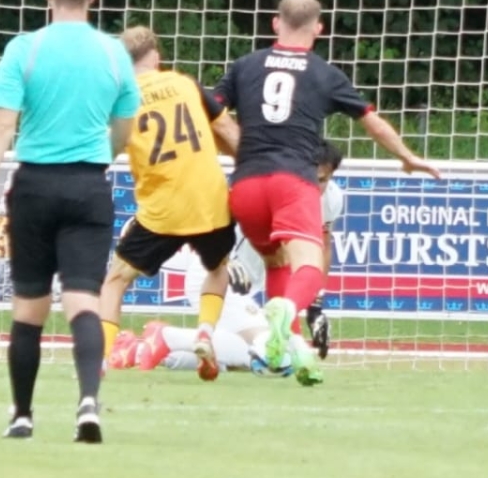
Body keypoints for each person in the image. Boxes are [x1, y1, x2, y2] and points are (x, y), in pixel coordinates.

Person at [211, 0, 439, 386]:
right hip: (292, 182)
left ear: (275, 23)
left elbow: (209, 110)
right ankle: (286, 309)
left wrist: (235, 145)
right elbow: (370, 121)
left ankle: (289, 351)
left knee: (277, 264)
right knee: (309, 266)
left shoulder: (245, 65)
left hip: (246, 185)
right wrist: (406, 156)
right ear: (319, 28)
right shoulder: (324, 73)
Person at [0, 0, 141, 443]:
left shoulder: (25, 49)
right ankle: (88, 402)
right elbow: (125, 128)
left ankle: (22, 414)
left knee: (29, 307)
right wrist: (101, 155)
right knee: (84, 300)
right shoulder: (114, 54)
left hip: (35, 187)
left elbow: (2, 123)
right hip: (88, 186)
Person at [119, 140, 349, 377]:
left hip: (248, 287)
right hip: (215, 276)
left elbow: (321, 248)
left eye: (322, 180)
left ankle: (143, 350)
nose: (314, 186)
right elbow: (210, 219)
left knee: (257, 356)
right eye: (309, 177)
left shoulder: (331, 200)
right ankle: (167, 337)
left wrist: (315, 306)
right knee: (276, 356)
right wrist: (227, 260)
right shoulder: (270, 189)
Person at [97, 26, 241, 382]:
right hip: (210, 201)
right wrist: (253, 169)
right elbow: (228, 132)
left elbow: (107, 149)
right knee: (217, 268)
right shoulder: (185, 84)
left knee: (115, 281)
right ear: (156, 58)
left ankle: (99, 359)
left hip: (163, 210)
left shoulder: (122, 100)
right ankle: (204, 332)